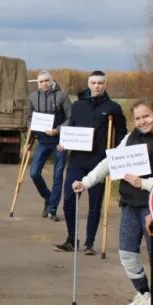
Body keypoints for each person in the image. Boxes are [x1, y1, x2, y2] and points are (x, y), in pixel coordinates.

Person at [73, 100, 153, 305]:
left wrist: (145, 183)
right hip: (130, 203)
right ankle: (143, 293)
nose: (142, 122)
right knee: (127, 253)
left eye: (146, 116)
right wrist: (86, 182)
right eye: (138, 118)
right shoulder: (130, 138)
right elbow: (108, 163)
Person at [54, 70, 126, 254]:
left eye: (100, 83)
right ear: (88, 84)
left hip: (99, 162)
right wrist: (64, 142)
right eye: (93, 83)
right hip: (77, 160)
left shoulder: (113, 108)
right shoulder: (78, 105)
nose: (97, 86)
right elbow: (71, 128)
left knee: (95, 204)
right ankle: (71, 239)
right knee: (69, 201)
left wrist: (115, 153)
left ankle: (89, 243)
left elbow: (121, 134)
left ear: (105, 85)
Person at [26, 71, 72, 221]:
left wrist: (57, 130)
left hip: (59, 142)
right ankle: (49, 197)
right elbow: (29, 119)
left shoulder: (62, 96)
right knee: (34, 173)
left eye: (47, 80)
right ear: (38, 83)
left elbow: (70, 118)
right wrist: (29, 141)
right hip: (43, 142)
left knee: (58, 176)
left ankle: (52, 209)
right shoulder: (33, 97)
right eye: (41, 81)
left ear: (51, 81)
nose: (44, 83)